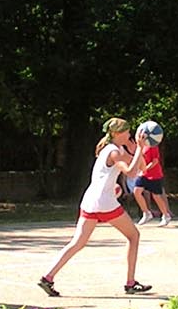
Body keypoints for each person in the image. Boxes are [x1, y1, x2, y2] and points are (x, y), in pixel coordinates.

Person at [38, 117, 153, 296]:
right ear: (116, 133)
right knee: (134, 236)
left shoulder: (111, 149)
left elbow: (140, 168)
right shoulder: (114, 152)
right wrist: (138, 147)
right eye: (127, 131)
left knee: (77, 242)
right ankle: (130, 283)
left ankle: (47, 277)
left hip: (91, 201)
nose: (130, 134)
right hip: (105, 203)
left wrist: (136, 150)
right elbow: (131, 173)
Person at [131, 136, 173, 227]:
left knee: (156, 196)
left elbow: (155, 161)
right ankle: (146, 213)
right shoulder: (140, 146)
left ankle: (166, 215)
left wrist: (145, 169)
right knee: (136, 191)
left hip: (154, 175)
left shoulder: (153, 146)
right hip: (143, 174)